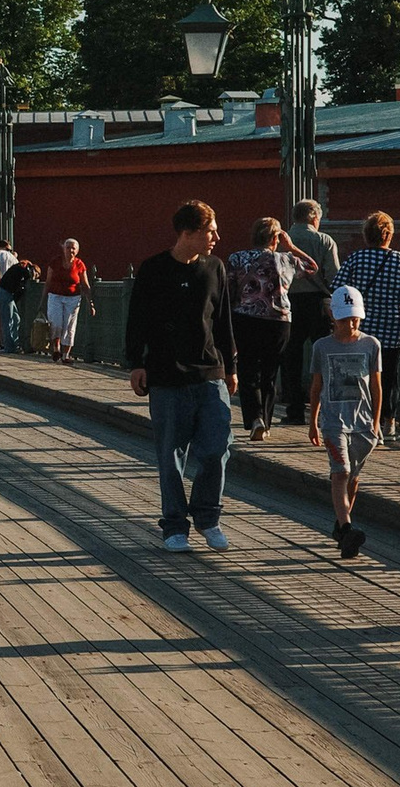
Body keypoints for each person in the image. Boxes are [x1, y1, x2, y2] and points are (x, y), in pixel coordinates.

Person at [124, 200, 239, 552]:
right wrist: (136, 364)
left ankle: (207, 517)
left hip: (209, 373)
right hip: (166, 376)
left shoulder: (215, 268)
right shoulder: (153, 269)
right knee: (170, 455)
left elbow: (223, 322)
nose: (216, 236)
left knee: (218, 447)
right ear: (187, 233)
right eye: (210, 230)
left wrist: (231, 368)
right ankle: (175, 526)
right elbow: (137, 320)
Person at [333, 210, 400, 443]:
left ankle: (360, 420)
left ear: (366, 235)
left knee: (358, 375)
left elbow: (337, 289)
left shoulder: (355, 259)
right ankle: (389, 422)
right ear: (389, 236)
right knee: (388, 376)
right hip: (394, 329)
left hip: (362, 328)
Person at [308, 285, 382, 558]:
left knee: (353, 477)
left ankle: (341, 527)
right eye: (344, 319)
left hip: (362, 423)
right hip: (333, 422)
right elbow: (316, 387)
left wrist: (376, 423)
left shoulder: (371, 345)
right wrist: (313, 421)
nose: (350, 324)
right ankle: (349, 528)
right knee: (340, 473)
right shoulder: (322, 347)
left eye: (355, 318)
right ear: (332, 316)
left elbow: (376, 386)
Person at [225, 216, 307, 440]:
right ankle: (267, 423)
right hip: (279, 322)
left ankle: (255, 418)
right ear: (276, 237)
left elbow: (230, 288)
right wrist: (291, 247)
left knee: (248, 369)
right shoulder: (286, 259)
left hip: (246, 319)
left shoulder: (237, 258)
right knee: (270, 373)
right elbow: (312, 267)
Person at [280, 198, 342, 426]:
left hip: (288, 302)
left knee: (291, 356)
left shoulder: (281, 240)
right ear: (315, 218)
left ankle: (294, 410)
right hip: (318, 303)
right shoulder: (324, 240)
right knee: (324, 355)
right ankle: (326, 409)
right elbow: (334, 276)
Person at [46, 238, 91, 363]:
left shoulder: (79, 264)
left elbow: (85, 284)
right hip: (55, 296)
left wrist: (90, 302)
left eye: (73, 248)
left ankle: (66, 355)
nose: (70, 250)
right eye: (68, 247)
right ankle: (56, 348)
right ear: (63, 249)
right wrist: (42, 299)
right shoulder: (55, 262)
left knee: (69, 326)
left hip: (73, 298)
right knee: (56, 322)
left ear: (77, 251)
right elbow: (48, 282)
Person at [0, 247, 39, 355]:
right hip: (5, 293)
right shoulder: (24, 269)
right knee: (8, 320)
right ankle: (9, 347)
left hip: (4, 292)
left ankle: (12, 344)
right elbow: (27, 277)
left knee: (15, 318)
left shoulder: (19, 267)